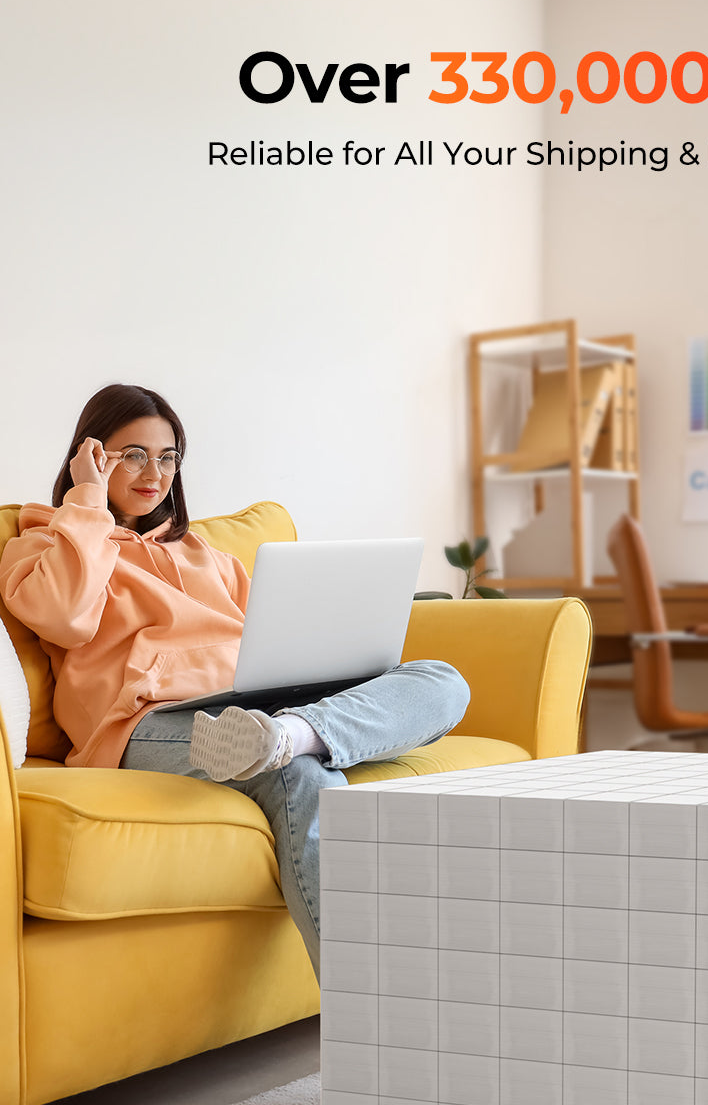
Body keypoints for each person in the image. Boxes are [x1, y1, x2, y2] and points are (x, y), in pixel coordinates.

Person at [0, 383, 470, 978]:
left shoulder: (208, 557)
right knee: (298, 775)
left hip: (259, 708)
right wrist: (87, 502)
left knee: (443, 679)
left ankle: (297, 731)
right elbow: (66, 617)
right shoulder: (43, 544)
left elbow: (271, 644)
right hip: (148, 723)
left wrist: (316, 679)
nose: (155, 473)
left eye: (168, 456)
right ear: (91, 456)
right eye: (134, 454)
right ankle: (373, 1013)